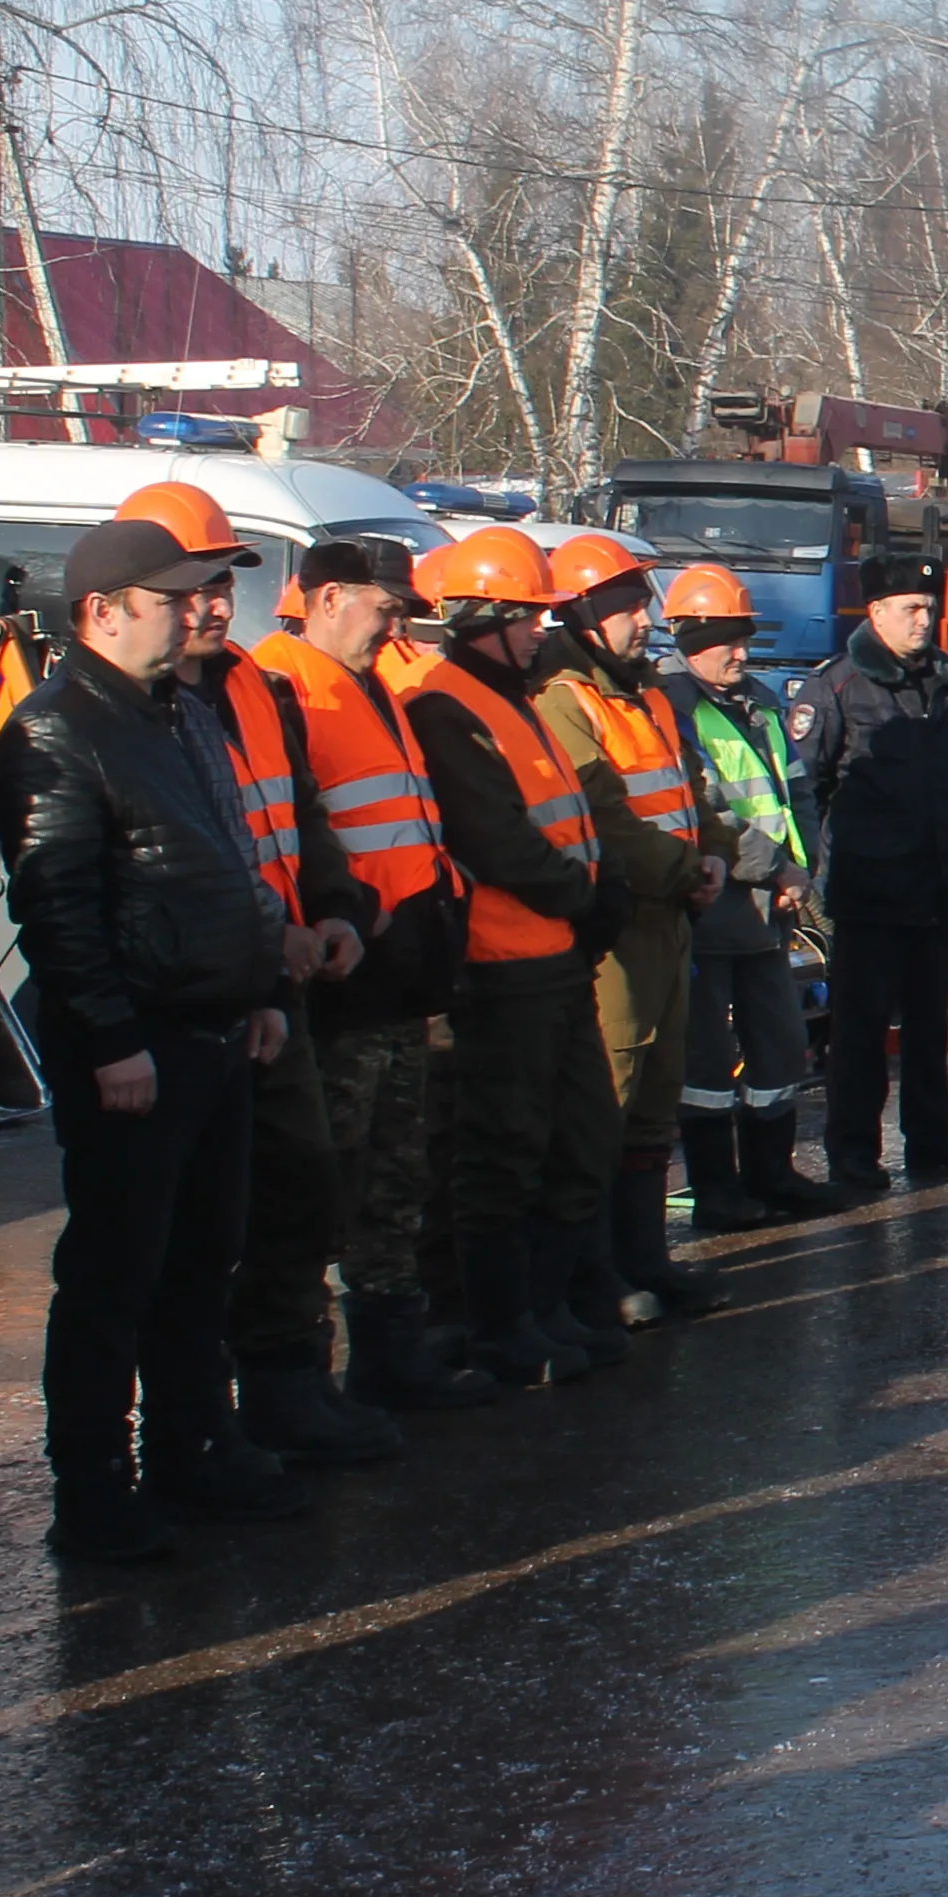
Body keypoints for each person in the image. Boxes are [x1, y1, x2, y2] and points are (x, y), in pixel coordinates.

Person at [0, 518, 300, 1558]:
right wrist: (112, 1037)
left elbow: (231, 860)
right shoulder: (55, 730)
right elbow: (58, 906)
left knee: (200, 1261)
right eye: (171, 599)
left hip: (214, 1030)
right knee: (116, 1274)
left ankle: (192, 1447)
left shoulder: (181, 715)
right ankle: (92, 1488)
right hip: (138, 1045)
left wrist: (260, 990)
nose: (195, 614)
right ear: (103, 610)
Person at [105, 483, 399, 1471]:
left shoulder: (245, 690)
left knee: (296, 1188)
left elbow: (299, 819)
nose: (213, 605)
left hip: (276, 983)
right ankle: (220, 1414)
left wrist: (335, 911)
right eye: (192, 587)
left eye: (223, 581)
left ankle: (284, 1387)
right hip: (206, 993)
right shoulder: (135, 708)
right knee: (214, 1220)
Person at [252, 538, 496, 1414]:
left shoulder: (367, 680)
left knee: (397, 1172)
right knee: (333, 1179)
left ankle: (392, 1357)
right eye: (383, 608)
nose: (396, 628)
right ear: (322, 599)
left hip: (401, 969)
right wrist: (345, 917)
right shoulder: (280, 684)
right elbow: (299, 830)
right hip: (341, 977)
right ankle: (303, 1376)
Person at [403, 526, 629, 1390]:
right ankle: (499, 1324)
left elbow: (556, 822)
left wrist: (589, 901)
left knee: (579, 1139)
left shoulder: (515, 700)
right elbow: (495, 839)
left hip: (556, 958)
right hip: (505, 968)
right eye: (527, 617)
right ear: (480, 619)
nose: (543, 631)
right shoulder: (447, 706)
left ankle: (546, 1304)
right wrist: (586, 894)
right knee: (503, 1150)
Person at [540, 534, 736, 1323]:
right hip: (620, 927)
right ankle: (592, 1276)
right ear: (586, 615)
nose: (645, 620)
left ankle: (643, 1257)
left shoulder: (646, 693)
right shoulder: (565, 697)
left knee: (655, 1098)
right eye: (627, 607)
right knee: (606, 1099)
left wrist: (714, 856)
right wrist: (690, 872)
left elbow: (690, 791)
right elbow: (606, 821)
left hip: (670, 918)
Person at [798, 555, 948, 1189]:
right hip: (868, 891)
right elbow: (806, 788)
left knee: (927, 1019)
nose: (925, 618)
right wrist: (821, 874)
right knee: (860, 1030)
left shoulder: (946, 681)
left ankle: (931, 1138)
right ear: (877, 612)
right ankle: (854, 1153)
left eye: (928, 605)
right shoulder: (838, 687)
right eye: (910, 608)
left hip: (936, 880)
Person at [664, 566, 858, 1222]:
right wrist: (777, 871)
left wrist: (803, 869)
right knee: (709, 1060)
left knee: (778, 1046)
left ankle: (773, 1174)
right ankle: (718, 1189)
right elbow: (706, 808)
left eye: (743, 638)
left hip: (771, 913)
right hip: (714, 910)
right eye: (726, 640)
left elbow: (799, 791)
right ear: (689, 639)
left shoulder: (763, 701)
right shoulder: (672, 707)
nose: (741, 652)